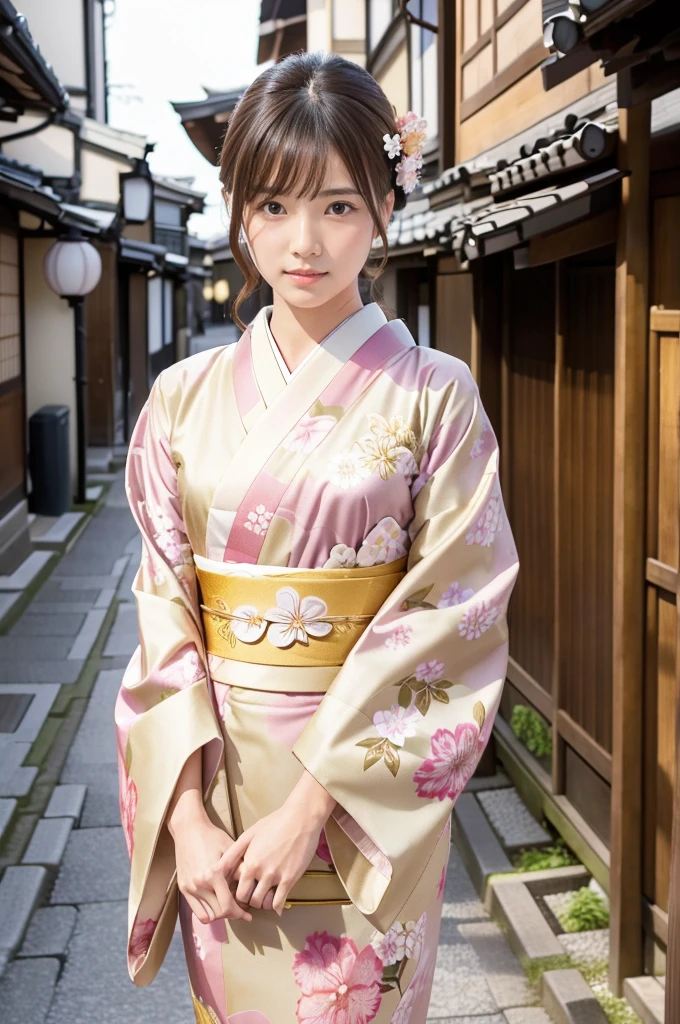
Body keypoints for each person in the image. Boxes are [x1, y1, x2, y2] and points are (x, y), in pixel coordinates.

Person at [115, 50, 519, 1024]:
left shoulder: (435, 395)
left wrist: (313, 808)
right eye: (273, 205)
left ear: (385, 203)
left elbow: (453, 613)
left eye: (338, 205)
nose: (305, 241)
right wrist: (187, 818)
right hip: (220, 803)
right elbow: (163, 614)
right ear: (238, 211)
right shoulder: (180, 400)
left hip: (355, 812)